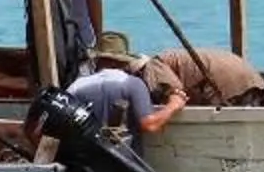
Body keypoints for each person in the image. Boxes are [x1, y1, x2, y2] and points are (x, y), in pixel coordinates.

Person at [66, 28, 185, 160]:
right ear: (124, 61)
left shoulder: (76, 86)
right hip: (123, 168)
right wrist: (174, 104)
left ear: (96, 59)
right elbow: (150, 125)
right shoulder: (132, 84)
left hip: (86, 166)